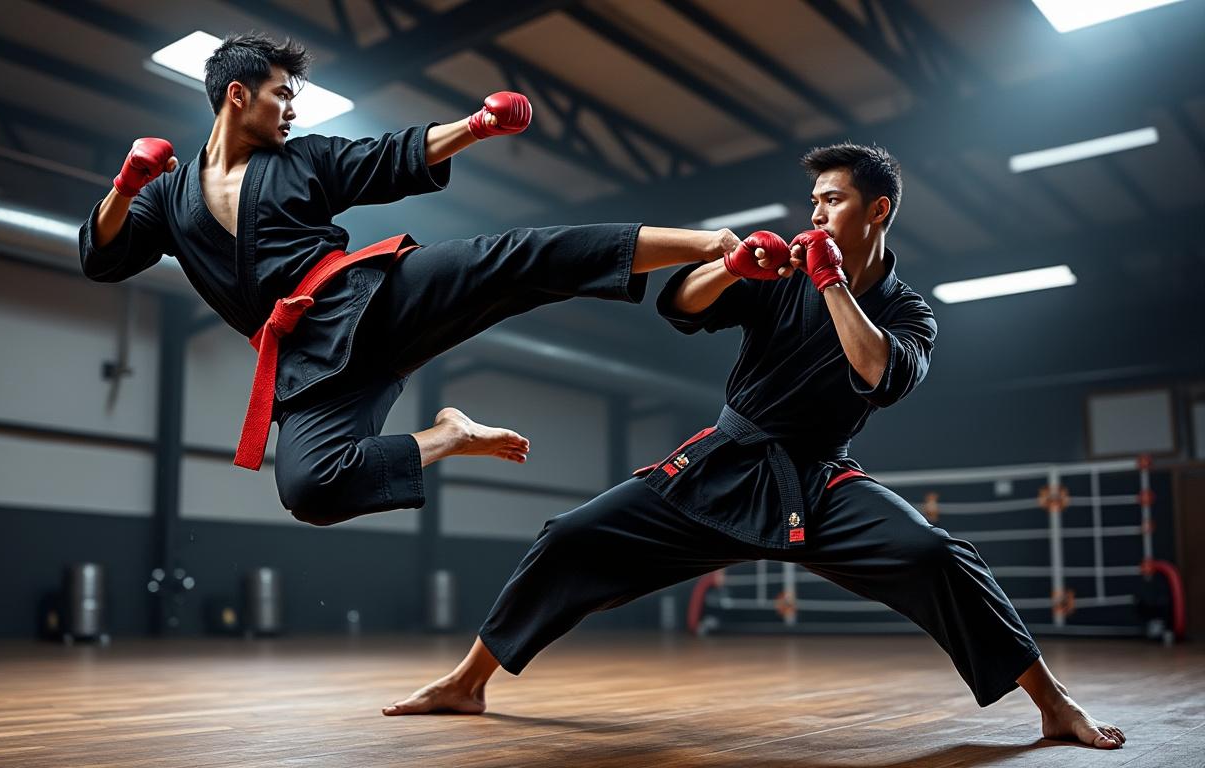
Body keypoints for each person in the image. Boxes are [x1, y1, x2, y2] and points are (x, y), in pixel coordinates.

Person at [382, 143, 1126, 751]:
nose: (817, 213)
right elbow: (680, 304)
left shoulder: (909, 313)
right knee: (570, 537)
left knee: (936, 556)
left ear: (878, 210)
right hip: (722, 462)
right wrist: (730, 266)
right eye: (814, 203)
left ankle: (1053, 704)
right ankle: (468, 681)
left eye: (832, 200)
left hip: (816, 481)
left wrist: (834, 288)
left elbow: (878, 374)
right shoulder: (784, 273)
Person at [78, 32, 739, 526]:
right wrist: (126, 185)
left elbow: (386, 156)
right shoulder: (168, 199)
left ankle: (706, 243)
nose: (292, 111)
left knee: (517, 258)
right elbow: (102, 255)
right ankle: (448, 435)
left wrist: (475, 127)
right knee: (309, 490)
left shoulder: (304, 160)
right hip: (307, 369)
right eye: (283, 95)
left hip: (367, 302)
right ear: (237, 95)